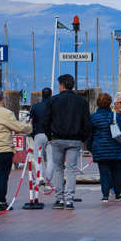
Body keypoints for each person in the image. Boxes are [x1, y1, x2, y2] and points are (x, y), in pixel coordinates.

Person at [44, 73, 92, 210]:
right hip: (75, 140)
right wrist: (83, 138)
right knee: (71, 170)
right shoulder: (82, 102)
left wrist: (50, 137)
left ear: (62, 85)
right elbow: (86, 122)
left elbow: (46, 120)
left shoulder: (53, 101)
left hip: (57, 139)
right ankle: (69, 200)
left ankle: (59, 199)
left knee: (58, 169)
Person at [88, 93, 121, 203]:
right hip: (115, 149)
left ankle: (105, 195)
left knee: (104, 173)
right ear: (110, 103)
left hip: (100, 150)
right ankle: (118, 194)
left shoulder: (93, 118)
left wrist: (90, 149)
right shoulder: (114, 116)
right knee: (117, 172)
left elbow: (90, 135)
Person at [29, 87, 54, 187]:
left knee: (37, 157)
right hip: (51, 136)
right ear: (51, 95)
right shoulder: (54, 106)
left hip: (39, 134)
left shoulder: (35, 107)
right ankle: (48, 179)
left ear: (42, 95)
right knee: (51, 159)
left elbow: (31, 122)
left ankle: (40, 177)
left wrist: (31, 133)